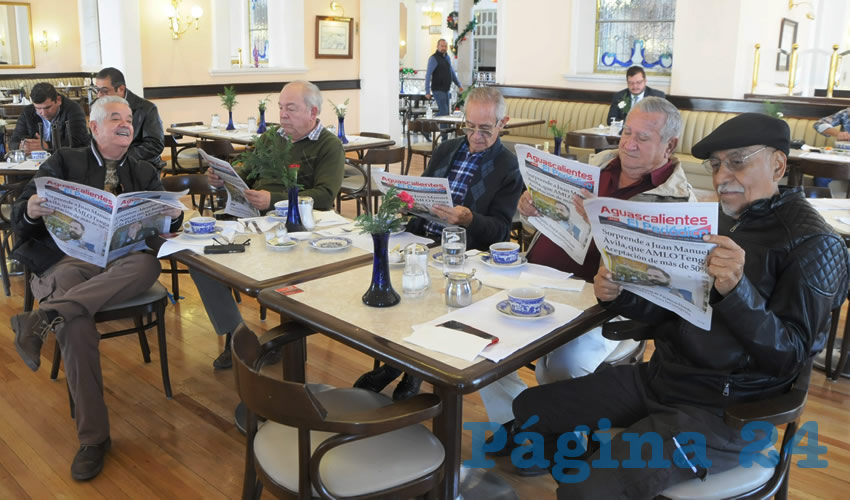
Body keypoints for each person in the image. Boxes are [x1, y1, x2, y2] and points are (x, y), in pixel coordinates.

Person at [510, 112, 849, 498]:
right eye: (717, 164)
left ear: (778, 163)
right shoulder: (717, 220)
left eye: (738, 161)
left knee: (585, 490)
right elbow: (673, 309)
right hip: (665, 379)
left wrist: (737, 292)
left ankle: (599, 479)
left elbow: (790, 358)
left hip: (727, 413)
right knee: (530, 407)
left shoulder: (814, 244)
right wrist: (622, 294)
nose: (722, 178)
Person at [479, 97, 697, 442]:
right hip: (545, 280)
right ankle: (516, 423)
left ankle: (563, 441)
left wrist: (599, 227)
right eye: (626, 132)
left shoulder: (678, 202)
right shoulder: (596, 166)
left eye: (643, 138)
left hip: (605, 307)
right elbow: (552, 227)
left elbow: (661, 281)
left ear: (669, 145)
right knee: (482, 340)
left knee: (562, 366)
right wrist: (531, 206)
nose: (628, 143)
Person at [9, 96, 184, 482]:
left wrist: (174, 215)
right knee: (76, 323)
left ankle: (44, 317)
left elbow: (162, 232)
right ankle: (93, 438)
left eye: (129, 119)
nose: (125, 124)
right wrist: (32, 210)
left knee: (147, 263)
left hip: (122, 264)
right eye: (115, 118)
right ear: (94, 126)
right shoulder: (63, 161)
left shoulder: (142, 168)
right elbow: (20, 221)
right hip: (64, 261)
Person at [354, 87, 524, 401]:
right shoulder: (447, 149)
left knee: (424, 295)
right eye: (469, 126)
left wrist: (468, 218)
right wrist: (406, 200)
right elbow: (422, 191)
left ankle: (413, 370)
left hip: (464, 253)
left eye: (485, 129)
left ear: (503, 123)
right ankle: (395, 361)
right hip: (421, 238)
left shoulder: (508, 167)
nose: (475, 135)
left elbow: (500, 231)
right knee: (389, 293)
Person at [190, 80, 345, 370]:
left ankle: (282, 342)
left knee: (268, 269)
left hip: (296, 228)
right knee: (202, 261)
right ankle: (238, 336)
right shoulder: (273, 138)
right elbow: (246, 170)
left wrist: (272, 200)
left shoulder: (329, 145)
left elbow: (324, 197)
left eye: (291, 109)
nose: (283, 115)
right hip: (251, 219)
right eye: (281, 108)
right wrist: (224, 176)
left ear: (313, 112)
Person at [94, 67, 166, 170]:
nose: (99, 96)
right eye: (97, 90)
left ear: (121, 89)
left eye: (105, 91)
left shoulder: (146, 108)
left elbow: (155, 145)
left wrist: (120, 157)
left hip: (140, 164)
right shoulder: (99, 107)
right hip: (107, 162)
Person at [9, 82, 89, 154]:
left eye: (47, 108)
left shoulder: (73, 110)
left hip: (67, 161)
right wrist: (22, 146)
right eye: (38, 108)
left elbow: (77, 143)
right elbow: (13, 142)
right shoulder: (28, 112)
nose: (43, 113)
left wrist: (47, 147)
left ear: (58, 100)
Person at [425, 38, 463, 117]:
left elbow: (451, 72)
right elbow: (428, 75)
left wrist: (459, 85)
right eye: (442, 46)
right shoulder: (433, 58)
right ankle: (434, 123)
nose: (444, 48)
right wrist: (427, 91)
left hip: (446, 90)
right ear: (437, 46)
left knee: (446, 113)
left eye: (445, 46)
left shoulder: (447, 58)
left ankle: (440, 126)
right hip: (438, 89)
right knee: (444, 112)